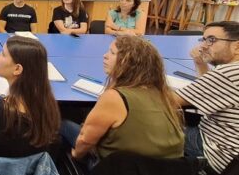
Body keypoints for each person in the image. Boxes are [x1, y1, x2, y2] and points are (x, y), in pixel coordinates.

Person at [62, 35, 184, 164]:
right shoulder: (164, 94)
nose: (105, 56)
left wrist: (76, 155)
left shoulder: (115, 97)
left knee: (62, 124)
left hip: (121, 174)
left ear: (128, 62)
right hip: (170, 174)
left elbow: (85, 140)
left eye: (112, 52)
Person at [175, 21, 239, 175]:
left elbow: (170, 100)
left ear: (237, 47)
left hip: (221, 153)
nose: (203, 46)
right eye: (203, 40)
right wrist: (200, 63)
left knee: (158, 128)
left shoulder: (228, 74)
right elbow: (212, 90)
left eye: (211, 40)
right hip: (235, 159)